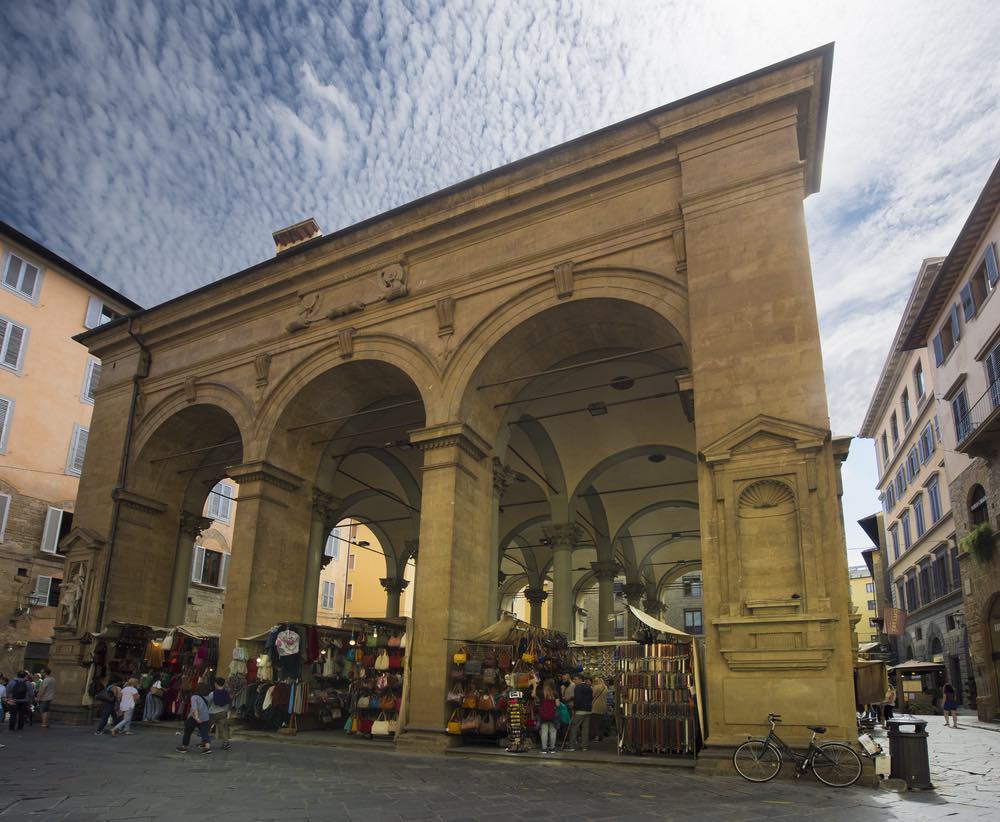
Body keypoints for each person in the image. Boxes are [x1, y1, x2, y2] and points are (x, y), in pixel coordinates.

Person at [176, 683, 212, 754]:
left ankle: (184, 747)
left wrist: (197, 718)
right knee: (205, 733)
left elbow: (194, 708)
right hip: (205, 717)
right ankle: (207, 748)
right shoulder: (208, 697)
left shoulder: (194, 697)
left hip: (194, 717)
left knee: (187, 732)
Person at [566, 674, 593, 752]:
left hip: (579, 710)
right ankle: (584, 746)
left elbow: (578, 699)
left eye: (575, 679)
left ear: (581, 679)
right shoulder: (589, 687)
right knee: (585, 729)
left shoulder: (578, 687)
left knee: (574, 727)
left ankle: (572, 746)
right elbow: (591, 698)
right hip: (588, 710)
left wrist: (575, 708)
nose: (574, 681)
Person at [209, 676, 232, 750]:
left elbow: (208, 703)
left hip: (212, 713)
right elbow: (228, 704)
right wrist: (227, 712)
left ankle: (205, 742)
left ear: (215, 684)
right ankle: (226, 743)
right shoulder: (226, 693)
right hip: (222, 713)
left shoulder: (212, 694)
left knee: (206, 727)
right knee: (223, 729)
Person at [537, 681, 560, 754]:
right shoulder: (555, 693)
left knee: (544, 732)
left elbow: (533, 695)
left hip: (543, 715)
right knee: (553, 732)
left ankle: (544, 749)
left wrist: (535, 685)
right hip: (553, 715)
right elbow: (558, 704)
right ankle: (552, 748)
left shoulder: (541, 693)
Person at [590, 675, 608, 741]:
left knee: (595, 722)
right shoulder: (605, 687)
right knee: (601, 722)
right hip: (603, 706)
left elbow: (592, 696)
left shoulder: (595, 687)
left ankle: (596, 736)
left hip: (595, 706)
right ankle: (601, 735)